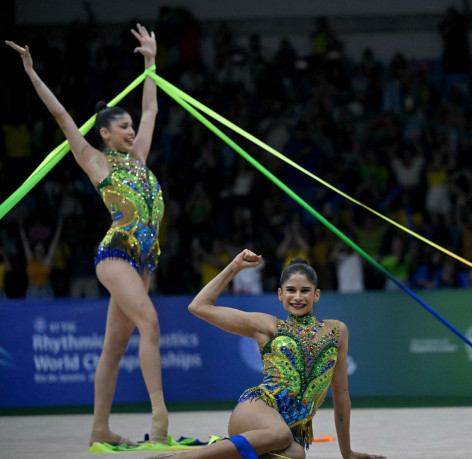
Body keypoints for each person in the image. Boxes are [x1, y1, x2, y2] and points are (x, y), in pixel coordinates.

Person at [6, 25, 168, 446]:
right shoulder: (97, 162)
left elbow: (151, 111)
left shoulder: (139, 157)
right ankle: (161, 419)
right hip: (116, 254)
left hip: (144, 259)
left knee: (113, 349)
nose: (133, 131)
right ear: (106, 134)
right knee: (150, 323)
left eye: (132, 126)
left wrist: (150, 61)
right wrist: (30, 71)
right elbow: (62, 116)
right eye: (125, 127)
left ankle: (99, 428)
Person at [171, 250, 383, 459]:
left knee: (297, 454)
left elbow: (342, 397)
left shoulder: (337, 332)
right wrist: (235, 266)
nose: (297, 297)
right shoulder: (268, 326)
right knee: (281, 435)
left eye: (305, 290)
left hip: (286, 434)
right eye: (290, 290)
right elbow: (198, 306)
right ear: (280, 294)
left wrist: (347, 453)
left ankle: (227, 453)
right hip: (255, 412)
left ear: (316, 294)